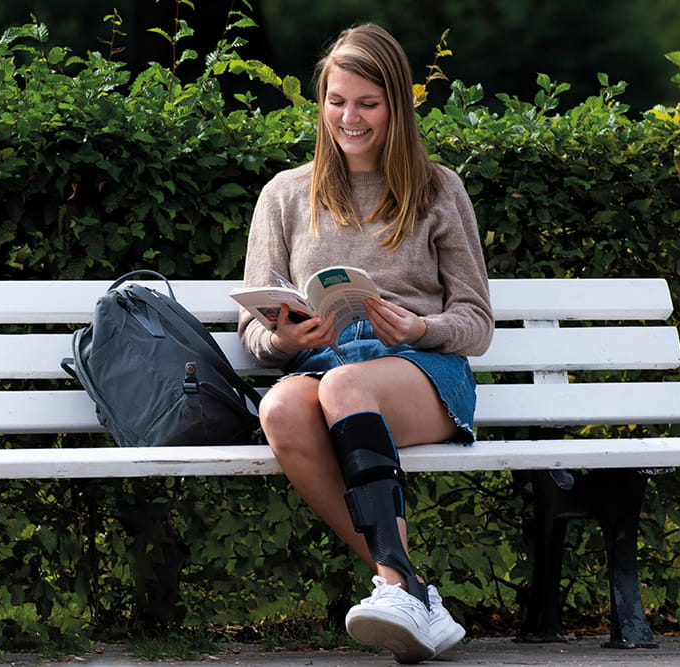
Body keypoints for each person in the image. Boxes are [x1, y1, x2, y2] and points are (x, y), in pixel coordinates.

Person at [236, 23, 494, 664]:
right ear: (320, 101)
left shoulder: (438, 188)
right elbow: (252, 327)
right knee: (279, 409)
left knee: (344, 386)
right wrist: (282, 336)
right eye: (336, 100)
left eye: (368, 104)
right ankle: (408, 589)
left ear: (397, 107)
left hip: (421, 370)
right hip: (322, 365)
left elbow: (476, 320)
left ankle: (398, 588)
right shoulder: (285, 195)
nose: (348, 118)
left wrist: (418, 329)